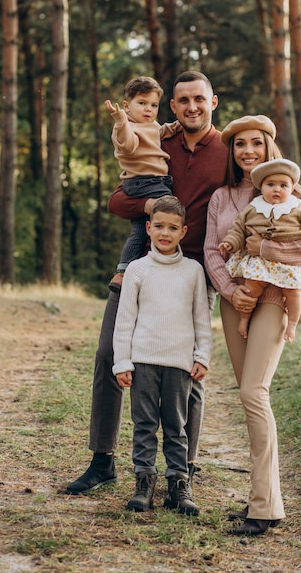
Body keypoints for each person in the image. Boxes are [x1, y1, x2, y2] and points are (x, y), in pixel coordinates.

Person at [65, 71, 228, 496]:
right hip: (142, 264)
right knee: (108, 354)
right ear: (172, 106)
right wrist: (149, 203)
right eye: (183, 100)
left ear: (213, 102)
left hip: (195, 269)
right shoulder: (158, 139)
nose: (191, 106)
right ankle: (103, 460)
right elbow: (118, 200)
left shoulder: (229, 148)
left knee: (189, 368)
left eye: (199, 99)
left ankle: (182, 471)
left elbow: (271, 183)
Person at [204, 114, 301, 536]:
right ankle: (261, 497)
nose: (248, 150)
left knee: (255, 391)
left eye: (256, 143)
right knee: (247, 396)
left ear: (268, 146)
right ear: (232, 151)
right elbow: (211, 252)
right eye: (239, 144)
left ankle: (266, 507)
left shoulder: (290, 192)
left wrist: (265, 246)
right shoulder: (222, 197)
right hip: (234, 302)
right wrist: (228, 290)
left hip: (273, 297)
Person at [113, 196, 212, 516]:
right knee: (143, 425)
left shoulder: (193, 271)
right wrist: (122, 361)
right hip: (143, 362)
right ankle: (144, 482)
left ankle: (178, 484)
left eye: (172, 228)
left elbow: (202, 320)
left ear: (184, 231)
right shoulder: (139, 270)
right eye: (159, 227)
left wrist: (202, 355)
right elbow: (125, 319)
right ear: (148, 228)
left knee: (176, 425)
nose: (165, 233)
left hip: (179, 365)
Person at [219, 158, 301, 342]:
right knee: (250, 290)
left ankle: (292, 325)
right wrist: (230, 243)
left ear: (292, 189)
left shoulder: (298, 208)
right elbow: (238, 228)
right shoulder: (253, 208)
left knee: (293, 293)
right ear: (261, 187)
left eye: (283, 185)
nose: (277, 189)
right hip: (260, 264)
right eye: (271, 184)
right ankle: (244, 320)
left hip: (287, 262)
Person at [104, 76, 181, 293]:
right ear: (127, 105)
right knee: (171, 208)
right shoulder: (126, 127)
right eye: (142, 103)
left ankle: (122, 271)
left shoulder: (151, 125)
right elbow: (128, 146)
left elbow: (160, 132)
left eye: (153, 105)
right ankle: (168, 259)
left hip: (152, 181)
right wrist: (120, 120)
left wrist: (177, 126)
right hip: (143, 181)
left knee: (139, 230)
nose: (148, 109)